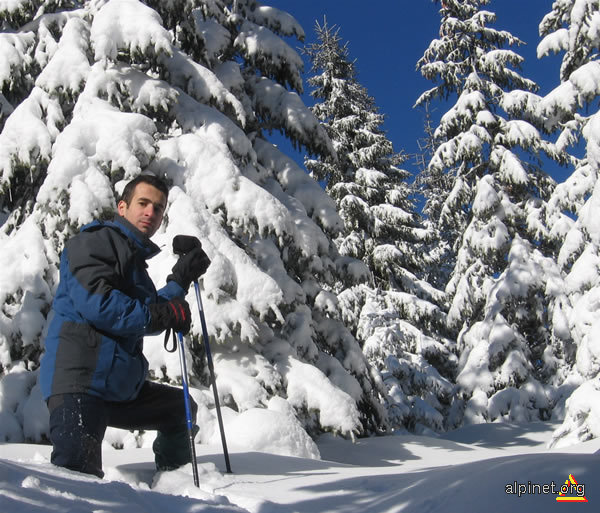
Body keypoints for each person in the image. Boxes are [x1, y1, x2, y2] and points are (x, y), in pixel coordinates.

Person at [39, 174, 210, 478]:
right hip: (80, 384)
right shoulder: (92, 242)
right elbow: (101, 305)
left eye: (158, 208)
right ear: (122, 207)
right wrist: (163, 315)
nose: (151, 213)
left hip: (117, 388)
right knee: (78, 482)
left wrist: (180, 280)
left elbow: (146, 308)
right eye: (143, 203)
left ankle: (175, 485)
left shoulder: (133, 262)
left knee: (179, 408)